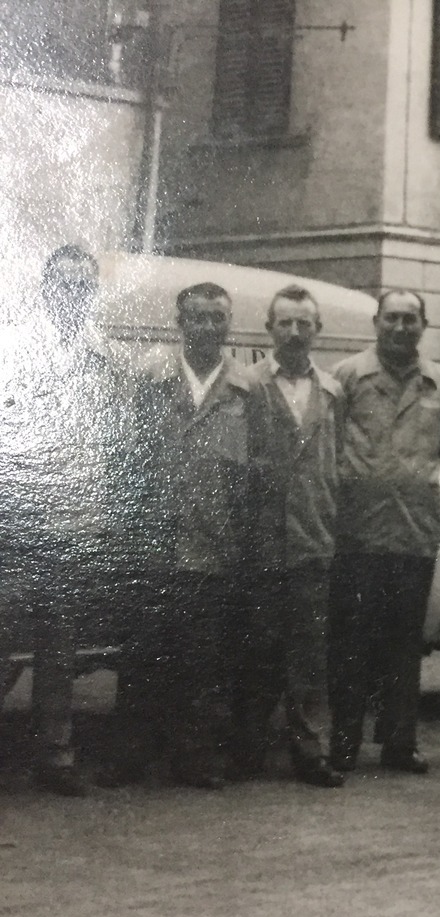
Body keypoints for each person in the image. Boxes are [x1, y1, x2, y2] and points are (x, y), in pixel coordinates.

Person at [103, 282, 269, 790]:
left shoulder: (247, 389)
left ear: (229, 323)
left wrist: (245, 542)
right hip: (154, 543)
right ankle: (132, 755)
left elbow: (258, 472)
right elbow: (126, 459)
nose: (207, 326)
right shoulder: (151, 379)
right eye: (196, 317)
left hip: (214, 545)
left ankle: (195, 756)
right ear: (180, 323)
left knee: (204, 659)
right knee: (143, 656)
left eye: (217, 317)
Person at [0, 245, 126, 796]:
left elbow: (103, 445)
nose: (71, 292)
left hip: (74, 525)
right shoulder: (12, 347)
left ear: (91, 292)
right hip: (16, 523)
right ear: (45, 288)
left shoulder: (103, 355)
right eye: (62, 283)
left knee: (59, 646)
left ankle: (56, 751)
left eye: (82, 284)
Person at [328, 289, 440, 774]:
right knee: (351, 641)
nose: (401, 328)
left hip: (415, 532)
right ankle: (344, 740)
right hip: (359, 531)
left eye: (410, 320)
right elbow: (332, 441)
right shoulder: (346, 377)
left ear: (423, 326)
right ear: (375, 322)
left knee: (405, 643)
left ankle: (400, 742)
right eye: (392, 318)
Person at [233, 284, 345, 788]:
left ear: (317, 330)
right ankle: (247, 746)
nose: (295, 333)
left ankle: (310, 749)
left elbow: (335, 464)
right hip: (261, 538)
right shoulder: (248, 384)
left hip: (313, 537)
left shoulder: (332, 391)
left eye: (304, 324)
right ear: (269, 329)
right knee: (256, 646)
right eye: (285, 323)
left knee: (310, 650)